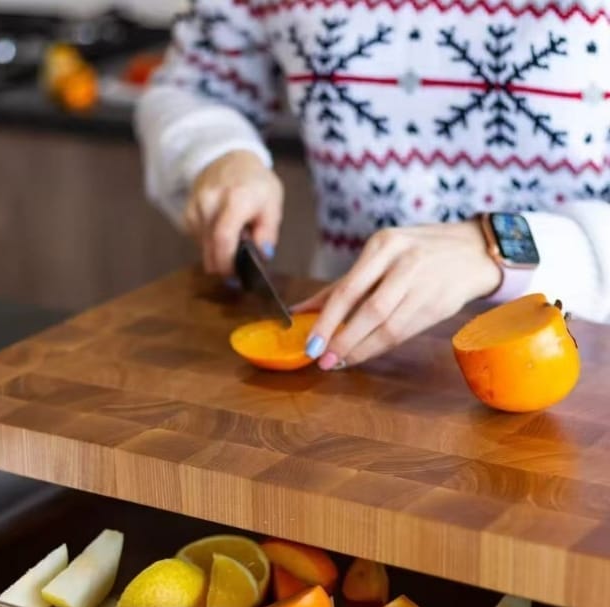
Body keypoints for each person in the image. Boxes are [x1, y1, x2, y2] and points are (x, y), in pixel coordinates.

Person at [135, 0, 610, 370]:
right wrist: (220, 153)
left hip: (577, 367)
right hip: (358, 363)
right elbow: (191, 86)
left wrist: (500, 246)